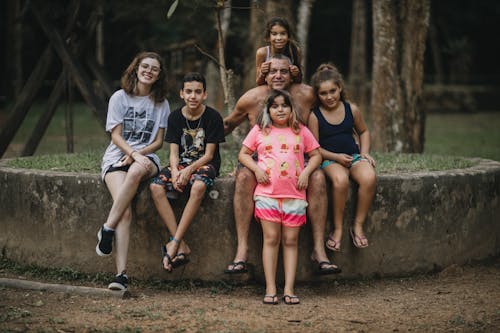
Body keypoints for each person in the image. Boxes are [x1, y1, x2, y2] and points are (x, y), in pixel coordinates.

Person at [224, 54, 340, 275]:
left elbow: (333, 101)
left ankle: (319, 250)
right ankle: (242, 250)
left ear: (292, 73)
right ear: (264, 75)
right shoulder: (251, 98)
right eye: (273, 71)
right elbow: (228, 124)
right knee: (243, 176)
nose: (278, 75)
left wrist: (352, 135)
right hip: (261, 159)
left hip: (299, 158)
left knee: (317, 177)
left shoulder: (305, 94)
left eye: (284, 71)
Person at [239, 89, 322, 305]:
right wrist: (256, 170)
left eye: (284, 105)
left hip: (294, 195)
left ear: (291, 108)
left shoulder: (301, 130)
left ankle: (289, 288)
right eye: (274, 106)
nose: (280, 109)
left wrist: (305, 172)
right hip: (267, 194)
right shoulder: (260, 130)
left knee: (291, 240)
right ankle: (270, 288)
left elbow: (316, 155)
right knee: (271, 239)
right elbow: (244, 154)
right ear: (268, 110)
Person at [96, 51, 170, 290]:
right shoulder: (119, 97)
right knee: (125, 213)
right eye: (144, 66)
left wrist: (139, 154)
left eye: (154, 69)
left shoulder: (161, 103)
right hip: (117, 156)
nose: (148, 71)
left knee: (138, 169)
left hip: (147, 156)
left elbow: (159, 142)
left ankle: (107, 228)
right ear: (136, 69)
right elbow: (115, 135)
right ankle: (121, 275)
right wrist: (131, 153)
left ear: (159, 75)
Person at [149, 72, 225, 272]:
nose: (193, 96)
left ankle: (173, 243)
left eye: (198, 92)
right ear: (182, 94)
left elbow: (209, 155)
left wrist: (189, 171)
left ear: (205, 95)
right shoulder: (174, 117)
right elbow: (173, 152)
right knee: (156, 187)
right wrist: (175, 171)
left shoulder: (213, 117)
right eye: (189, 92)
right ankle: (180, 244)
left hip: (204, 164)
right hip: (181, 164)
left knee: (199, 185)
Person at [308, 64, 376, 251]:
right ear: (317, 95)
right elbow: (314, 147)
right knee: (340, 180)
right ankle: (337, 229)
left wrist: (364, 153)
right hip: (329, 159)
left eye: (333, 91)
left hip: (353, 157)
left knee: (369, 177)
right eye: (323, 93)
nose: (329, 97)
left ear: (340, 88)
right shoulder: (315, 116)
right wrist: (336, 157)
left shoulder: (351, 109)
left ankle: (358, 225)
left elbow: (363, 131)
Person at [255, 17, 302, 86]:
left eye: (283, 34)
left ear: (288, 36)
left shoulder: (294, 51)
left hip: (289, 89)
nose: (279, 38)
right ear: (268, 37)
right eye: (274, 34)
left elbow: (299, 81)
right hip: (268, 89)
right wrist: (262, 73)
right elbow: (258, 82)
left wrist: (296, 74)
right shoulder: (262, 53)